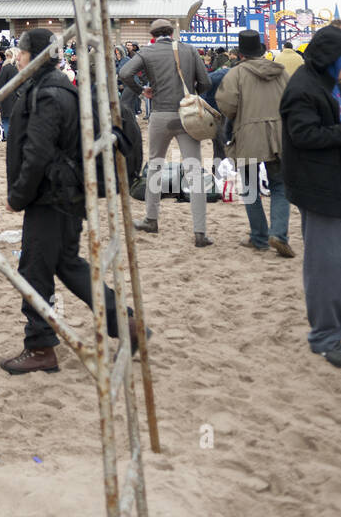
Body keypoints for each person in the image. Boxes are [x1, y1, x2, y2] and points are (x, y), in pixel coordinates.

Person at [0, 30, 138, 374]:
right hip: (66, 193)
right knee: (67, 264)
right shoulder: (59, 87)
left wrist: (18, 196)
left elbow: (38, 153)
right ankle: (127, 326)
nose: (17, 58)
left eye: (21, 52)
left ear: (34, 55)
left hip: (52, 196)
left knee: (33, 270)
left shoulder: (48, 93)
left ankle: (40, 347)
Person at [119, 19, 214, 248]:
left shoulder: (148, 52)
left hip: (160, 114)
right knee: (193, 169)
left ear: (153, 34)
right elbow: (206, 82)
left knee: (155, 165)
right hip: (186, 115)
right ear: (171, 32)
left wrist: (142, 90)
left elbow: (125, 73)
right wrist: (192, 94)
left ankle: (151, 219)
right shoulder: (189, 50)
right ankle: (200, 232)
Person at [279, 26, 341, 367]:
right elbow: (303, 134)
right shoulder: (303, 88)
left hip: (329, 182)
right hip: (319, 187)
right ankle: (325, 336)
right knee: (325, 265)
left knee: (335, 261)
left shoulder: (322, 81)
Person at [216, 30, 292, 256]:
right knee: (279, 186)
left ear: (241, 54)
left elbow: (227, 107)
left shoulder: (235, 74)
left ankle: (259, 236)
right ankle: (278, 233)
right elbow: (291, 100)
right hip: (277, 137)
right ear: (261, 50)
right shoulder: (281, 72)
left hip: (247, 135)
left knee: (250, 187)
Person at [0, 48, 19, 138]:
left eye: (8, 56)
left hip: (7, 102)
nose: (6, 58)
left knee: (7, 123)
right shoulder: (22, 68)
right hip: (20, 102)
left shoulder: (6, 68)